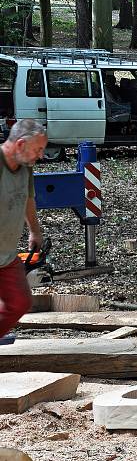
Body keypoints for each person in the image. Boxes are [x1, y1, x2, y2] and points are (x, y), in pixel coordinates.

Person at [0, 119, 47, 344]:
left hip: (6, 255)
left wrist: (35, 232)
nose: (40, 155)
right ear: (20, 144)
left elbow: (28, 200)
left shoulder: (25, 168)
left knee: (19, 301)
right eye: (38, 149)